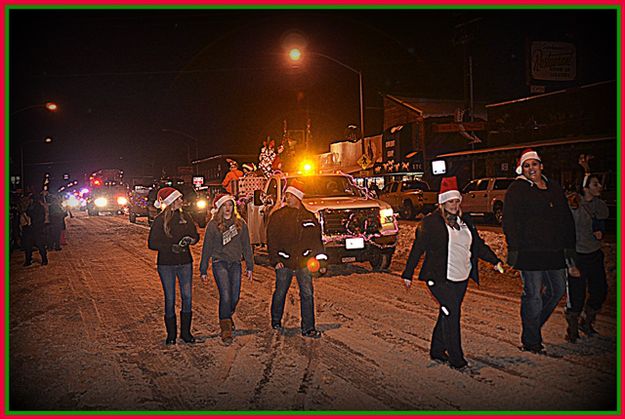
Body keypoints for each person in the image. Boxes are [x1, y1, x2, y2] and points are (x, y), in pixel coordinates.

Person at [401, 176, 503, 369]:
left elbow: (478, 245)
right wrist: (408, 273)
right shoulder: (431, 223)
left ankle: (437, 350)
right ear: (442, 203)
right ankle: (457, 359)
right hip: (439, 278)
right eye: (450, 201)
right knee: (452, 314)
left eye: (457, 201)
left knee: (447, 312)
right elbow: (418, 248)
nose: (454, 205)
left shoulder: (465, 222)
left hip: (461, 278)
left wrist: (494, 260)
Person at [503, 148, 580, 353]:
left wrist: (569, 249)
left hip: (554, 251)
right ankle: (532, 341)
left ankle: (532, 328)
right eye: (527, 166)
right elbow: (509, 221)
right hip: (530, 252)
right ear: (522, 169)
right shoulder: (516, 189)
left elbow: (565, 219)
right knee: (533, 296)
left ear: (541, 166)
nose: (531, 169)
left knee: (557, 291)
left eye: (534, 164)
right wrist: (514, 248)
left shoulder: (553, 187)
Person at [267, 182, 325, 338]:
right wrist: (275, 259)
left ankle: (308, 327)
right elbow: (271, 239)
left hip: (303, 262)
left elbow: (316, 241)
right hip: (284, 262)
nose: (287, 198)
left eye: (290, 195)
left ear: (298, 197)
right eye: (287, 195)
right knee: (280, 292)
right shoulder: (278, 216)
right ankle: (276, 321)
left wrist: (321, 261)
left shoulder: (309, 217)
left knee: (307, 294)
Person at [564, 156, 609, 342]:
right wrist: (570, 263)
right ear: (585, 187)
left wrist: (600, 229)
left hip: (594, 254)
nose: (600, 187)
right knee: (577, 294)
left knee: (600, 291)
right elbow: (565, 234)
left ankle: (587, 321)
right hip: (578, 255)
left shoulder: (600, 205)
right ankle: (572, 329)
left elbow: (601, 219)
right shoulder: (574, 206)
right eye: (595, 184)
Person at [199, 194, 254, 345]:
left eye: (230, 205)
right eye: (225, 205)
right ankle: (225, 329)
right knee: (225, 294)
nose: (228, 208)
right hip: (219, 262)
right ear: (220, 208)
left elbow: (246, 246)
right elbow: (207, 248)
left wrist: (250, 265)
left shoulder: (240, 223)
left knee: (235, 296)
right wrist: (203, 269)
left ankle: (227, 317)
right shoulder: (213, 225)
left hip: (235, 263)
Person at [148, 187, 199, 345]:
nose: (181, 201)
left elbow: (195, 235)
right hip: (166, 264)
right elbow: (152, 243)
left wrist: (191, 240)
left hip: (185, 262)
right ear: (171, 202)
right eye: (178, 199)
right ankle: (171, 334)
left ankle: (185, 333)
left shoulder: (186, 217)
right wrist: (170, 247)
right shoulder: (160, 220)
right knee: (170, 298)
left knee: (187, 297)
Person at [21, 194, 48, 267]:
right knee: (29, 245)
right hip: (31, 229)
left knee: (39, 244)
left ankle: (44, 259)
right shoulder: (30, 207)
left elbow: (40, 218)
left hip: (37, 228)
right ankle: (28, 260)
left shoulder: (38, 208)